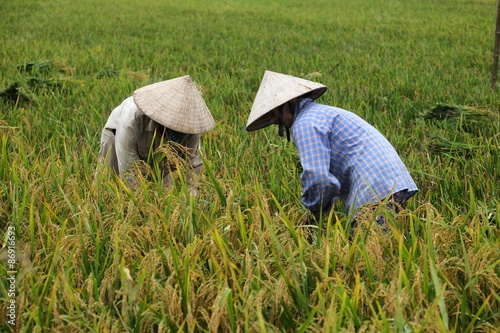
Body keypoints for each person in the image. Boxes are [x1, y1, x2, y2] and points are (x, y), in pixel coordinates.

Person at [246, 70, 418, 229]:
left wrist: (314, 214)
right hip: (390, 183)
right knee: (377, 251)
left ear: (290, 102)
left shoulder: (305, 123)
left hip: (375, 188)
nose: (275, 121)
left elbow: (318, 177)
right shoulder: (321, 113)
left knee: (365, 254)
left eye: (274, 114)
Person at [98, 75, 215, 195]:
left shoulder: (191, 126)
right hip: (117, 134)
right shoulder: (131, 122)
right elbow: (130, 173)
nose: (180, 128)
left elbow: (193, 169)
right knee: (110, 186)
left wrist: (190, 204)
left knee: (164, 191)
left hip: (159, 150)